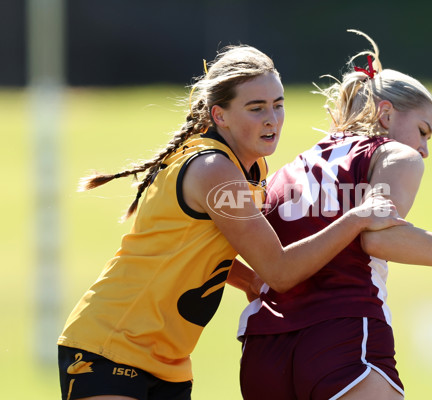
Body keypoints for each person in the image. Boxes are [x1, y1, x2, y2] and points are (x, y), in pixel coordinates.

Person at [57, 44, 404, 400]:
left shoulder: (250, 168)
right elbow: (280, 271)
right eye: (256, 108)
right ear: (219, 116)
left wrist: (248, 279)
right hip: (110, 343)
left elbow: (195, 244)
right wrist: (357, 216)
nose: (272, 118)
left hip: (169, 362)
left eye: (278, 104)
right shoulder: (215, 170)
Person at [237, 30, 432, 400]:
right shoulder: (392, 155)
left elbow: (220, 243)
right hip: (343, 340)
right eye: (422, 131)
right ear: (385, 114)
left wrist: (248, 280)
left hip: (263, 352)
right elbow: (380, 236)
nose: (423, 149)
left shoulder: (283, 172)